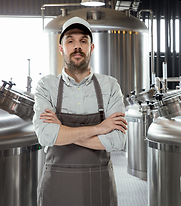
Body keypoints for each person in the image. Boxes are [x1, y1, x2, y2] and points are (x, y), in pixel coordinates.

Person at [33, 16, 127, 206]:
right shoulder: (46, 86)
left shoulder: (110, 85)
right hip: (57, 188)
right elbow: (46, 137)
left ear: (91, 48)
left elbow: (117, 141)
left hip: (98, 187)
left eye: (83, 41)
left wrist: (63, 130)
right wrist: (99, 128)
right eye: (70, 41)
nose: (77, 46)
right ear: (61, 49)